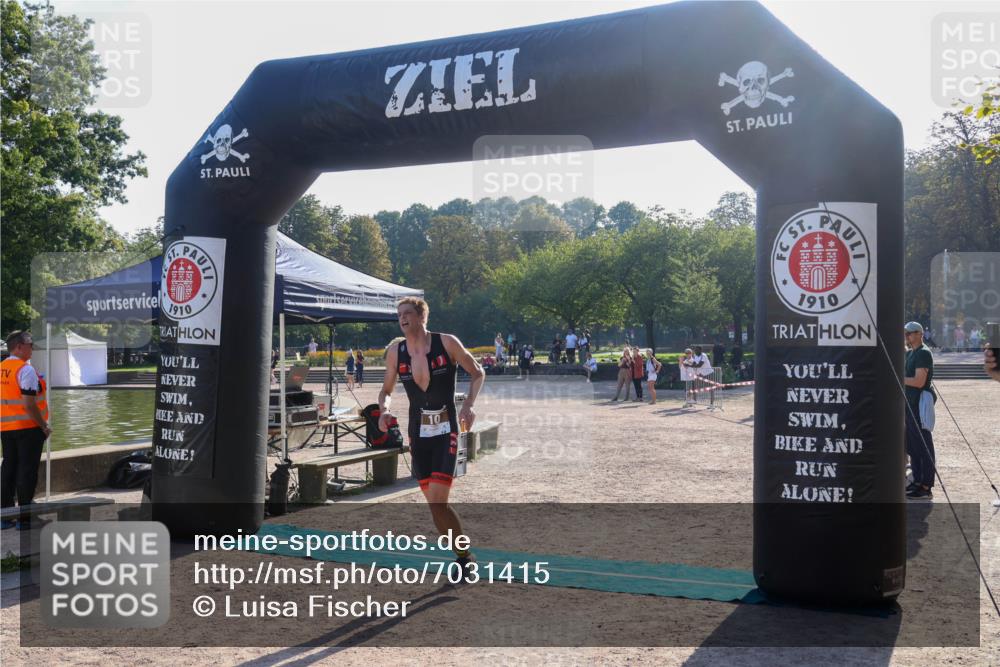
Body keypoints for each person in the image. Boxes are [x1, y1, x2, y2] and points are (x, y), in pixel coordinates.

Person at [378, 297, 484, 574]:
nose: (402, 318)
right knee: (434, 506)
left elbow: (477, 372)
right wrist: (384, 411)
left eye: (408, 313)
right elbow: (386, 391)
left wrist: (469, 406)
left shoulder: (446, 343)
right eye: (399, 314)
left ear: (422, 317)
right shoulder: (395, 352)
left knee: (439, 501)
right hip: (418, 433)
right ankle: (463, 555)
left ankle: (464, 556)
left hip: (446, 429)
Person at [1, 331, 51, 529]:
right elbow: (29, 404)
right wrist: (43, 426)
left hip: (6, 427)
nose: (32, 348)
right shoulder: (25, 370)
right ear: (18, 346)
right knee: (27, 472)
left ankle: (5, 516)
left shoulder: (2, 367)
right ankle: (25, 518)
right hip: (28, 428)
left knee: (8, 469)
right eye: (30, 344)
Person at [904, 322, 936, 499]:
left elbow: (918, 381)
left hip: (918, 405)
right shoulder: (911, 353)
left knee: (924, 446)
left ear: (920, 334)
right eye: (905, 334)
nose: (907, 336)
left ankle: (926, 485)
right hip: (909, 404)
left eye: (910, 333)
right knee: (913, 446)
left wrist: (899, 379)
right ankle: (916, 480)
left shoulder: (923, 352)